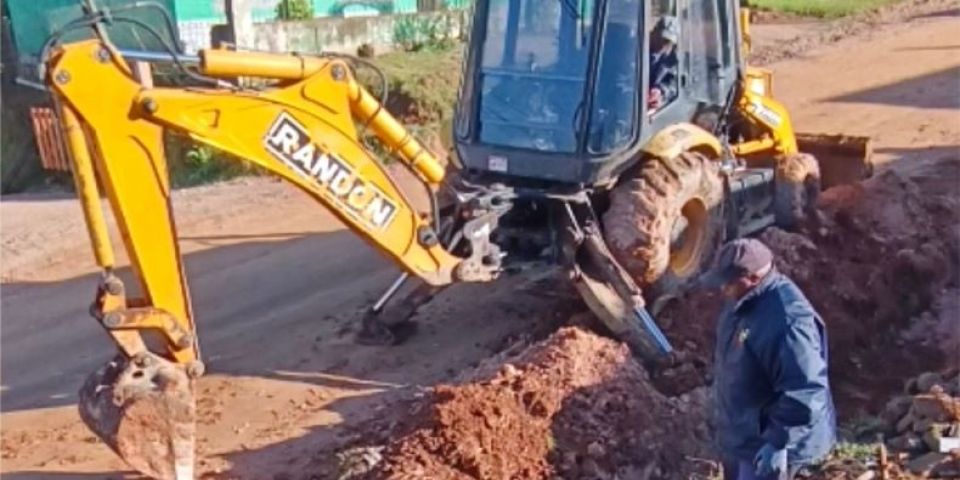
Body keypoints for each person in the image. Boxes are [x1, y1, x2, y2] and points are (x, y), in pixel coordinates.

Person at [700, 238, 836, 480]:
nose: (722, 290)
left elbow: (806, 389)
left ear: (753, 278)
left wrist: (778, 442)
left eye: (729, 283)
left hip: (776, 447)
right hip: (744, 440)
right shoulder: (740, 302)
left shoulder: (788, 320)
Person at [648, 15, 679, 111]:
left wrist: (660, 91)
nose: (663, 45)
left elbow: (673, 85)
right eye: (661, 38)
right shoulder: (634, 49)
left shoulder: (673, 62)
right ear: (653, 32)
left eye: (668, 42)